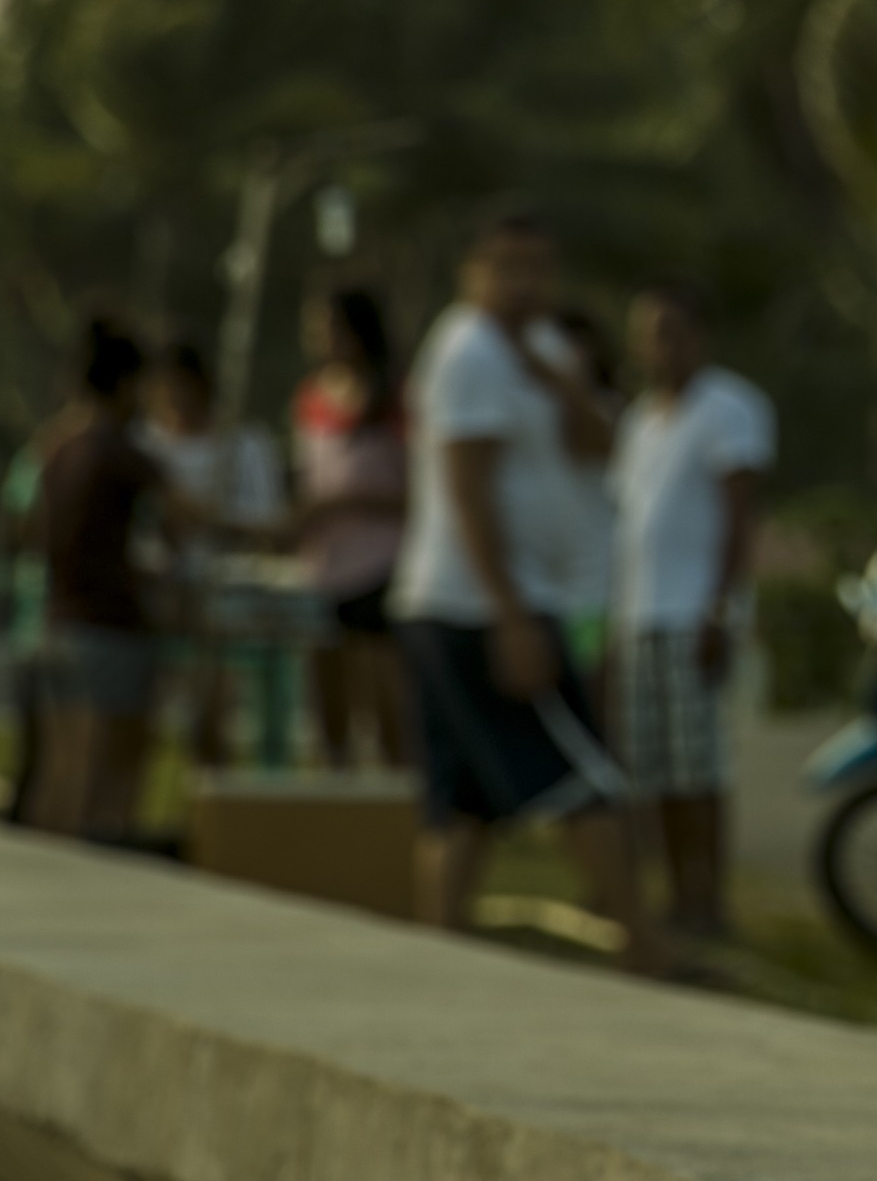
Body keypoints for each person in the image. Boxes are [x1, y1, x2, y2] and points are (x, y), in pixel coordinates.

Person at [393, 207, 667, 975]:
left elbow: (602, 446)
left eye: (537, 269)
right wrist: (511, 616)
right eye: (506, 268)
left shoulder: (544, 349)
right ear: (473, 272)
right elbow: (467, 492)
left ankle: (440, 947)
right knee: (583, 777)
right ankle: (643, 947)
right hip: (477, 605)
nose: (523, 285)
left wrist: (561, 382)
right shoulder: (467, 352)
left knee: (466, 798)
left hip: (482, 603)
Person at [607, 284, 777, 952]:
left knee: (699, 769)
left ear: (699, 335)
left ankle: (710, 900)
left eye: (673, 331)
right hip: (639, 616)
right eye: (649, 334)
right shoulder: (639, 422)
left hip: (692, 615)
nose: (660, 347)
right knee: (655, 773)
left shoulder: (728, 408)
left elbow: (739, 516)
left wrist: (720, 607)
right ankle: (677, 896)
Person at [22, 316, 182, 843]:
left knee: (58, 778)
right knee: (102, 786)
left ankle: (41, 880)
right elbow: (185, 515)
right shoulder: (117, 451)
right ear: (126, 383)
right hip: (108, 631)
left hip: (57, 624)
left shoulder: (56, 446)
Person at [138, 334, 283, 771]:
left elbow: (270, 524)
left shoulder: (244, 443)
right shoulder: (142, 445)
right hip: (161, 596)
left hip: (225, 597)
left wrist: (211, 520)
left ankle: (214, 786)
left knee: (213, 713)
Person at [290, 285, 414, 771]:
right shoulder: (310, 397)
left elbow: (420, 494)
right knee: (329, 704)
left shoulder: (396, 398)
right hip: (324, 569)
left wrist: (349, 501)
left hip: (383, 569)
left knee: (387, 705)